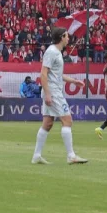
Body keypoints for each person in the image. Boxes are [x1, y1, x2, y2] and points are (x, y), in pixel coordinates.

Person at [32, 27, 89, 165]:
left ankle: (36, 156)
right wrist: (48, 94)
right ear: (61, 37)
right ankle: (71, 155)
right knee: (67, 120)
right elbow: (43, 74)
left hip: (53, 89)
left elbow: (56, 74)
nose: (68, 39)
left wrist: (73, 81)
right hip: (53, 91)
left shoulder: (56, 52)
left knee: (48, 123)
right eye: (67, 36)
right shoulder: (52, 52)